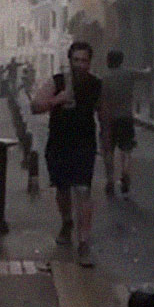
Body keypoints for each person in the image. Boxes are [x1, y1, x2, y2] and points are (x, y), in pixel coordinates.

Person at [30, 41, 105, 267]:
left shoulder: (96, 85)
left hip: (84, 143)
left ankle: (84, 242)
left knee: (83, 190)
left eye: (84, 60)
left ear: (90, 62)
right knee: (63, 190)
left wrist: (107, 143)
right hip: (59, 143)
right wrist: (57, 100)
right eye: (77, 60)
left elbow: (103, 112)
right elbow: (35, 106)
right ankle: (66, 222)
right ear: (70, 61)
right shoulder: (58, 81)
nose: (81, 65)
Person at [100, 49, 151, 198]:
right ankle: (125, 172)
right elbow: (146, 74)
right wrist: (149, 67)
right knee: (126, 149)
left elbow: (101, 99)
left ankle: (110, 179)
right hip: (126, 117)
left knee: (108, 150)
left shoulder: (105, 78)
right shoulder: (129, 74)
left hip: (109, 120)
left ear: (108, 60)